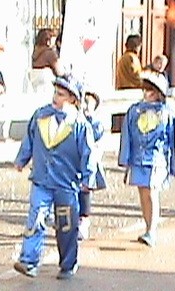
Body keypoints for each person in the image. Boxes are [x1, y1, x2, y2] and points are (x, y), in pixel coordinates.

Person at [13, 75, 99, 280]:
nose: (55, 97)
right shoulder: (41, 116)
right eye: (55, 93)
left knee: (66, 225)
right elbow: (30, 139)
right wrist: (22, 159)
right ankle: (29, 261)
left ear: (72, 99)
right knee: (36, 218)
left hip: (66, 184)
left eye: (61, 94)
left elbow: (89, 152)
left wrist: (88, 178)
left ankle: (68, 263)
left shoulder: (79, 124)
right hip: (42, 179)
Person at [117, 72, 175, 247]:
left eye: (151, 90)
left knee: (152, 191)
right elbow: (127, 136)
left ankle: (152, 231)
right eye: (145, 89)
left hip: (157, 159)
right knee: (143, 193)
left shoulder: (167, 113)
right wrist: (125, 159)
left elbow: (174, 140)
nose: (147, 93)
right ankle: (148, 227)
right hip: (138, 159)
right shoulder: (134, 111)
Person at [78, 90, 106, 241]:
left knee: (85, 190)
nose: (87, 107)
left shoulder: (96, 125)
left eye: (90, 104)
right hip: (74, 163)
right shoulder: (76, 121)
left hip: (88, 164)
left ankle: (84, 221)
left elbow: (97, 144)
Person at [29, 28, 64, 95]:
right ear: (49, 40)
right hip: (48, 90)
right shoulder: (50, 54)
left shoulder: (35, 53)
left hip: (35, 90)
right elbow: (60, 72)